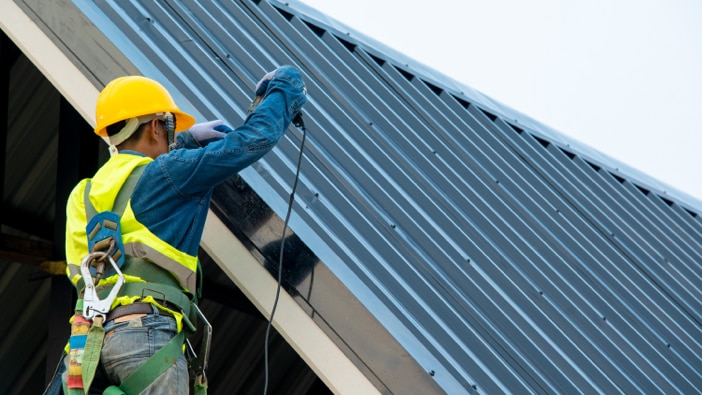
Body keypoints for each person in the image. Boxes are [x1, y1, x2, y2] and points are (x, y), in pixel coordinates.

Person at [45, 65, 307, 394]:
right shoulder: (170, 175)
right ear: (156, 126)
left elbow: (134, 186)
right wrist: (285, 89)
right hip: (146, 336)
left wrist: (184, 141)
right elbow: (252, 141)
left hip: (84, 351)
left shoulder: (81, 195)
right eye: (169, 127)